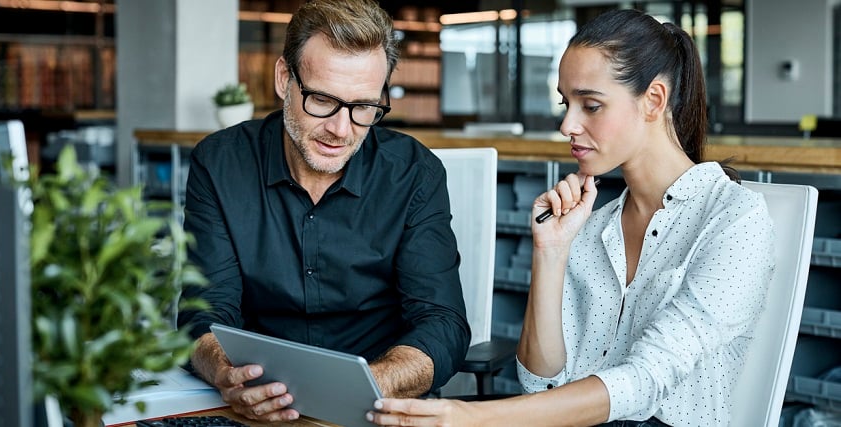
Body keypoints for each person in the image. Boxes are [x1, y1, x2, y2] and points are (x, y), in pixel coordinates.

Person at [368, 8, 774, 427]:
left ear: (653, 100)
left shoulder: (734, 220)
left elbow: (646, 380)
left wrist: (474, 417)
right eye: (566, 103)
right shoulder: (593, 226)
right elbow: (539, 382)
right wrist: (551, 253)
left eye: (591, 105)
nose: (567, 124)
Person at [176, 0, 471, 423]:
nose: (341, 129)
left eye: (364, 107)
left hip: (378, 404)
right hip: (257, 406)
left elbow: (442, 323)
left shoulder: (414, 174)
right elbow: (204, 312)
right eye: (321, 100)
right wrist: (227, 373)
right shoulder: (220, 163)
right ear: (284, 79)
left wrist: (370, 383)